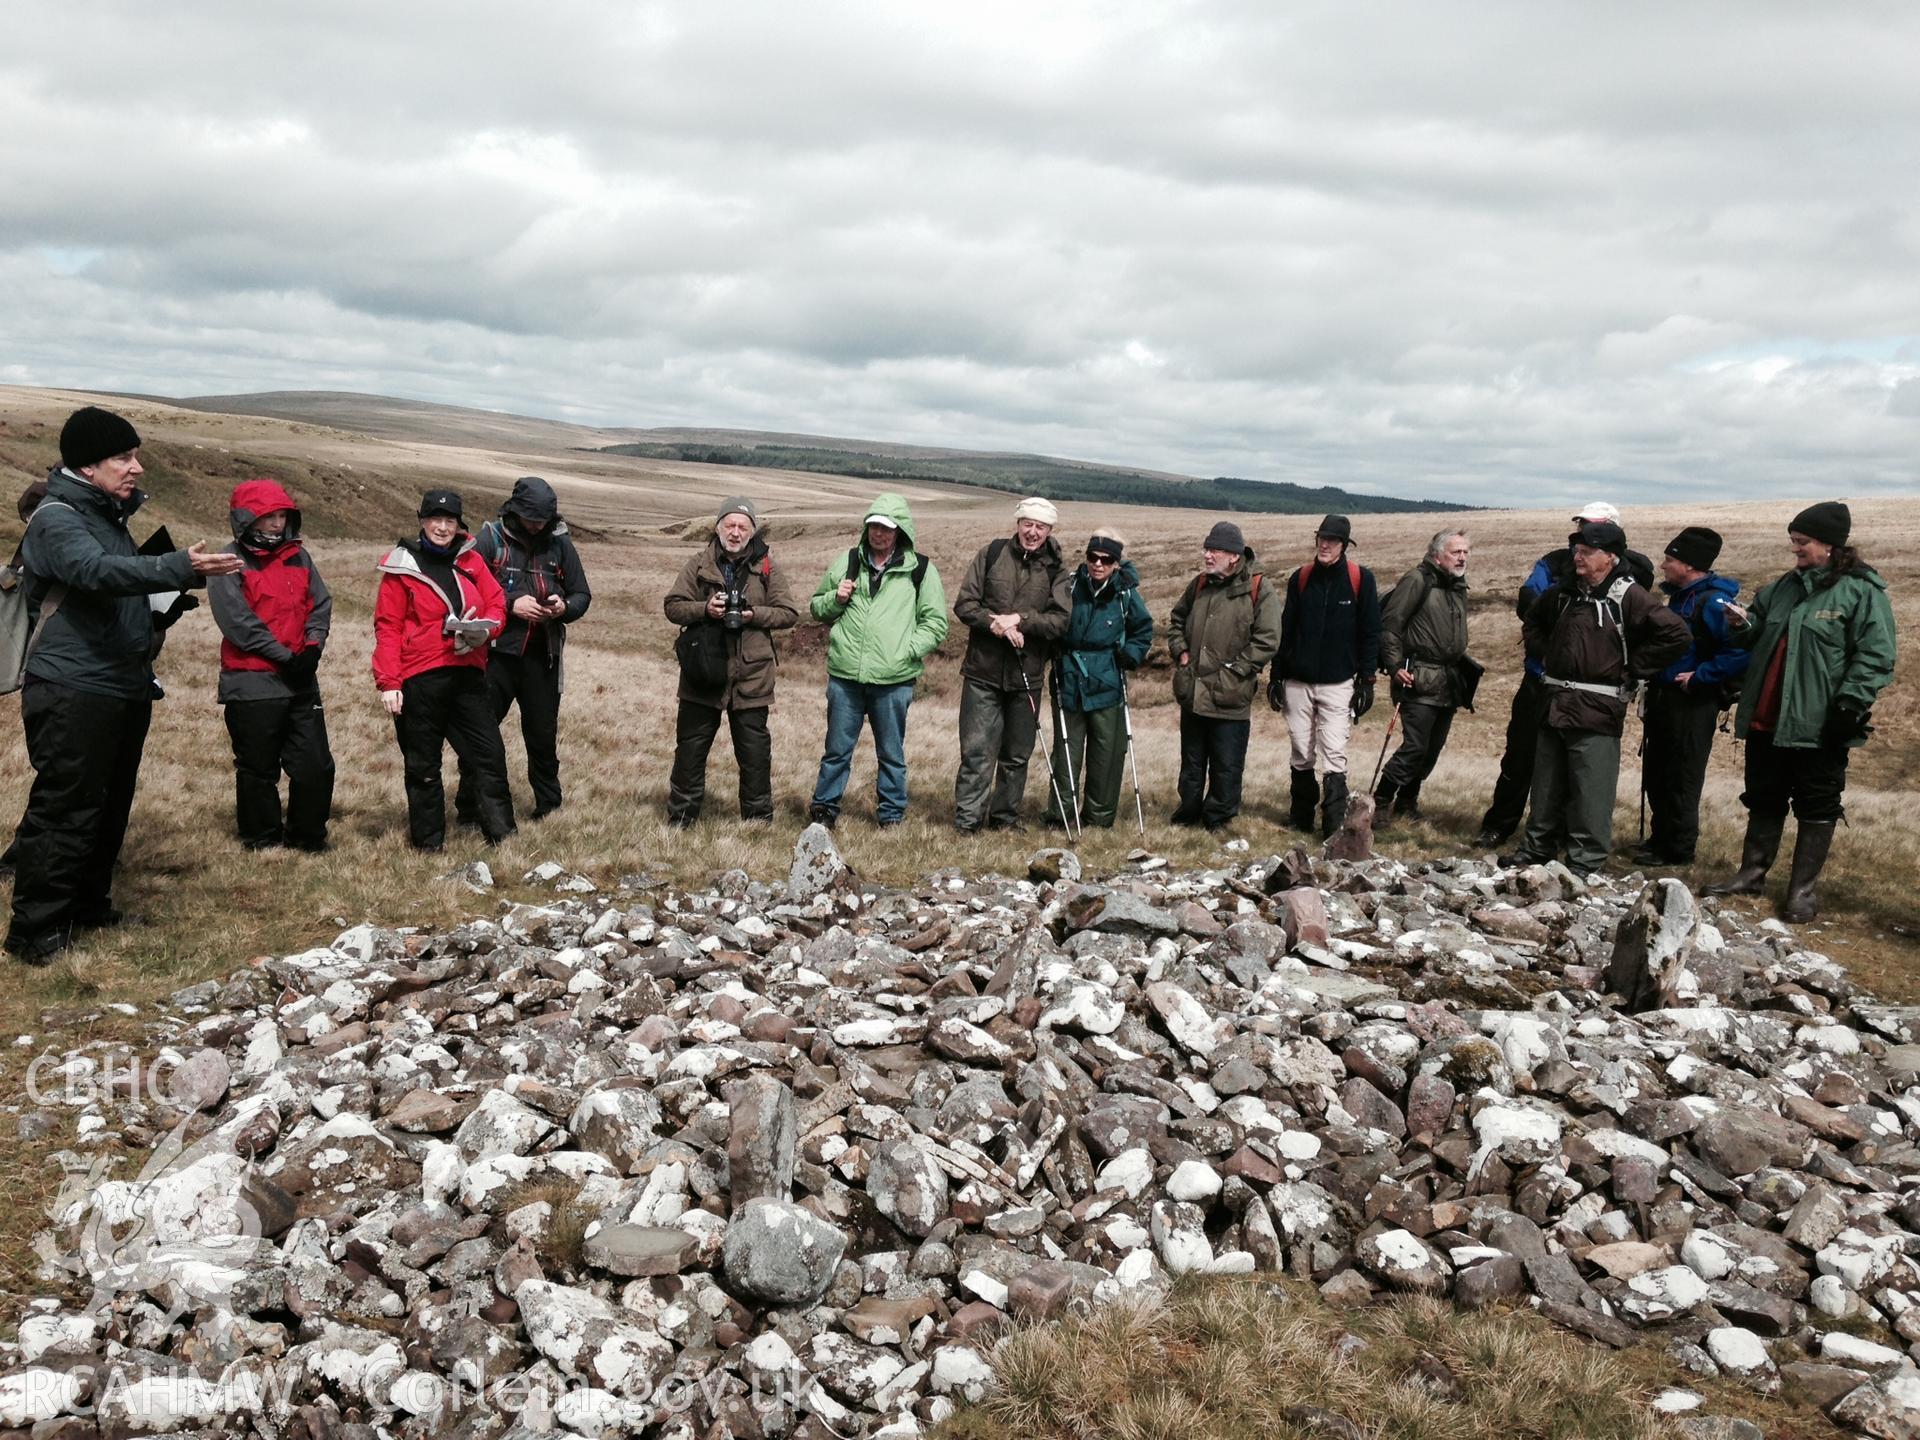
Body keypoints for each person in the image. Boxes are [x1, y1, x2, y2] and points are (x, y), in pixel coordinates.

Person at [5, 406, 243, 964]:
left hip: (118, 684)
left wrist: (158, 607)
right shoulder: (58, 518)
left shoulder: (106, 515)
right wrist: (176, 566)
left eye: (135, 455)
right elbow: (93, 573)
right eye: (123, 457)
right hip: (72, 687)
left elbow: (110, 584)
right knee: (67, 808)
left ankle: (88, 908)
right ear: (88, 465)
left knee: (108, 804)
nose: (136, 468)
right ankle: (34, 932)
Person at [1705, 503, 1896, 922]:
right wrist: (1742, 625)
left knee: (1817, 803)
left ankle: (1802, 892)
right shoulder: (1782, 588)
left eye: (1802, 541)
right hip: (1766, 717)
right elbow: (1758, 631)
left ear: (1829, 545)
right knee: (1764, 797)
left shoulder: (1862, 591)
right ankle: (1751, 874)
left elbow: (1876, 655)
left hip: (1819, 723)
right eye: (1794, 540)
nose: (1795, 548)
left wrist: (1849, 703)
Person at [1499, 521, 1687, 878]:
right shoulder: (1565, 592)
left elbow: (1676, 634)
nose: (1578, 557)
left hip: (1597, 707)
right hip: (1554, 701)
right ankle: (1535, 850)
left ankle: (1584, 862)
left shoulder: (1628, 596)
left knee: (1591, 789)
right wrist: (1549, 654)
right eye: (1577, 551)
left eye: (1587, 552)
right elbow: (1533, 621)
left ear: (1610, 558)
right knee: (1546, 784)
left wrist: (1633, 667)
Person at [1474, 503, 1656, 847]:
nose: (1582, 534)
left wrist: (1630, 665)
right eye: (1581, 524)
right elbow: (1528, 602)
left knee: (1581, 767)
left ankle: (1566, 838)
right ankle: (1500, 825)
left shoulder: (1633, 572)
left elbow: (1649, 625)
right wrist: (1555, 647)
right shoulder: (1555, 561)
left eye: (1592, 526)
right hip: (1542, 679)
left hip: (1592, 689)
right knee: (1521, 755)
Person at [372, 490, 515, 850]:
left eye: (449, 520)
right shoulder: (401, 566)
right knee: (423, 765)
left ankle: (502, 836)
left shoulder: (471, 559)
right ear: (422, 521)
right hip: (419, 678)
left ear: (458, 524)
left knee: (489, 756)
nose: (442, 527)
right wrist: (389, 682)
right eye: (435, 519)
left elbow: (497, 602)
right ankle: (429, 843)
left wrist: (486, 630)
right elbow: (387, 627)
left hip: (468, 675)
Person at [453, 477, 592, 825]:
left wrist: (563, 607)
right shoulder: (489, 539)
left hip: (542, 657)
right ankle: (469, 809)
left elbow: (582, 595)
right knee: (481, 736)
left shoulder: (560, 545)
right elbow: (466, 590)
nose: (537, 524)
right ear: (515, 510)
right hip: (494, 657)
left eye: (543, 518)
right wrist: (512, 604)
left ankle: (549, 808)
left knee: (542, 737)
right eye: (531, 517)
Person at [206, 479, 335, 851]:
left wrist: (312, 648)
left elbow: (320, 604)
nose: (277, 524)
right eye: (267, 517)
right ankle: (261, 840)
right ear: (247, 518)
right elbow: (238, 623)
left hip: (300, 679)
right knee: (258, 768)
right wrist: (286, 658)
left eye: (281, 515)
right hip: (251, 681)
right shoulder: (228, 561)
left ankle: (308, 838)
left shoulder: (299, 556)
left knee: (316, 765)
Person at [805, 493, 948, 828]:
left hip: (894, 680)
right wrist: (835, 599)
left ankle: (891, 815)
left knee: (891, 754)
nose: (878, 533)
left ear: (900, 531)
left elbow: (935, 622)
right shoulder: (847, 561)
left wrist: (907, 650)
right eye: (873, 526)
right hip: (846, 677)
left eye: (886, 527)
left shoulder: (921, 570)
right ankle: (824, 810)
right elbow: (816, 607)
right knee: (837, 750)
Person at [662, 497, 798, 825]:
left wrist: (753, 615)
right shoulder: (699, 563)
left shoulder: (767, 567)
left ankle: (757, 821)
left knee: (754, 754)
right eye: (730, 525)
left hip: (751, 675)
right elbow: (673, 606)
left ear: (752, 532)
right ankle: (681, 819)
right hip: (703, 671)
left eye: (742, 526)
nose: (735, 533)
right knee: (690, 750)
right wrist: (704, 609)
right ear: (718, 526)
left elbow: (789, 613)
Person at [951, 498, 1072, 832]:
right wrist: (995, 623)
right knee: (976, 751)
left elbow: (1060, 621)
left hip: (1027, 675)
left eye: (1041, 526)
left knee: (1017, 755)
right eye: (1028, 524)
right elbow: (965, 605)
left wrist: (1021, 620)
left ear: (1050, 530)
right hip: (982, 671)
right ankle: (968, 821)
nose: (1033, 532)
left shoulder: (1056, 571)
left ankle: (1004, 819)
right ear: (1018, 523)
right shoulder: (991, 554)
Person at [1634, 526, 1749, 866]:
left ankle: (1679, 849)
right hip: (1666, 697)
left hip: (1692, 701)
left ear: (1689, 565)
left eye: (1670, 559)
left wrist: (1702, 677)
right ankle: (1660, 841)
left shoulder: (1712, 602)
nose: (1663, 565)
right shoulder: (1682, 597)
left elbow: (1740, 651)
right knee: (1659, 771)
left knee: (1681, 775)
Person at [1270, 514, 1382, 837]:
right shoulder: (1301, 578)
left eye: (1332, 540)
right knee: (1301, 751)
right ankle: (1300, 816)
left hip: (1339, 682)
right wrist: (1276, 676)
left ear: (1344, 545)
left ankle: (1333, 822)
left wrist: (1367, 681)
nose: (1325, 544)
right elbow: (1286, 631)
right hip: (1297, 681)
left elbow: (1370, 632)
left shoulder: (1361, 580)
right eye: (1321, 538)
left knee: (1334, 752)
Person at [1167, 520, 1281, 830]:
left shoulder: (1259, 588)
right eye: (1206, 548)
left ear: (1234, 556)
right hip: (1194, 691)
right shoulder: (1199, 584)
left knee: (1227, 766)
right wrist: (1182, 653)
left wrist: (1237, 670)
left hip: (1231, 695)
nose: (1207, 555)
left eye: (1214, 550)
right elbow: (1176, 621)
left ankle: (1218, 820)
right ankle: (1187, 815)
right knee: (1191, 764)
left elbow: (1268, 639)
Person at [1047, 531, 1153, 829]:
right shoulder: (1069, 586)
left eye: (1106, 560)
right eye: (1092, 557)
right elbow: (1052, 618)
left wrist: (1130, 655)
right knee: (1067, 750)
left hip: (1107, 679)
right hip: (1068, 678)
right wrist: (1053, 645)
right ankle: (1061, 816)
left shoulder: (1125, 594)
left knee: (1107, 752)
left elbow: (1142, 629)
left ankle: (1099, 817)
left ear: (1117, 564)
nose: (1098, 564)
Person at [1375, 530, 1475, 826]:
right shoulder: (1417, 580)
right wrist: (1395, 667)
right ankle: (1382, 801)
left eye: (1466, 552)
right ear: (1437, 553)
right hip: (1416, 677)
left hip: (1449, 680)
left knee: (1432, 748)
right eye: (1456, 552)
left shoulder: (1457, 586)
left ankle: (1407, 802)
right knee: (1415, 746)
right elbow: (1390, 626)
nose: (1462, 557)